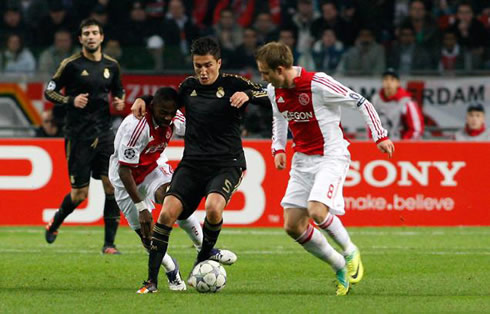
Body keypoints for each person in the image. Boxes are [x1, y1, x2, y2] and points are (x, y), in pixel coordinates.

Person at [132, 37, 270, 293]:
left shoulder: (233, 83)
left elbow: (270, 94)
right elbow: (165, 101)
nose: (203, 72)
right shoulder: (189, 86)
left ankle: (202, 259)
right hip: (193, 164)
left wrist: (249, 94)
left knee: (214, 208)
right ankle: (151, 281)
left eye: (208, 65)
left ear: (218, 62)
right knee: (166, 214)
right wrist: (144, 99)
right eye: (198, 66)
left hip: (227, 164)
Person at [255, 42, 395, 296]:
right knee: (292, 226)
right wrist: (278, 149)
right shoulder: (274, 90)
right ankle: (339, 265)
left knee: (317, 210)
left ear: (280, 68)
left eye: (265, 73)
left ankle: (350, 251)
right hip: (302, 160)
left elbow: (361, 102)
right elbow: (278, 119)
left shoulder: (317, 83)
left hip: (331, 155)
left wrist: (380, 136)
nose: (263, 78)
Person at [109, 87, 237, 292]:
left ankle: (205, 247)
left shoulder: (174, 116)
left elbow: (199, 126)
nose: (168, 117)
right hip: (125, 180)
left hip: (153, 169)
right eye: (163, 113)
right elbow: (125, 171)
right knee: (147, 237)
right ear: (152, 107)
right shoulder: (136, 127)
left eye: (172, 112)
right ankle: (171, 268)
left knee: (176, 201)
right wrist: (142, 207)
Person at [43, 18, 125, 254]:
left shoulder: (112, 65)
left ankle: (109, 244)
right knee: (80, 195)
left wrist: (119, 98)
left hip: (105, 133)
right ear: (80, 39)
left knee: (111, 185)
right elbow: (50, 90)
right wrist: (70, 100)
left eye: (94, 32)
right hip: (78, 135)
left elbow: (117, 87)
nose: (90, 36)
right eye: (86, 33)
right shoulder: (71, 65)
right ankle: (55, 222)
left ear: (101, 37)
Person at [371, 68, 424, 140]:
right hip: (380, 145)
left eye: (392, 79)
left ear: (398, 83)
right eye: (386, 79)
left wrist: (404, 145)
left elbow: (416, 130)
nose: (388, 82)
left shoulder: (407, 102)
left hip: (400, 145)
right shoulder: (375, 100)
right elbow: (370, 125)